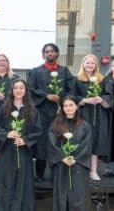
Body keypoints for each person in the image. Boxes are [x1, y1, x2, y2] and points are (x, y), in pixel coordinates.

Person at [0, 78, 42, 211]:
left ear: (26, 91)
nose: (18, 90)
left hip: (23, 153)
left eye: (21, 88)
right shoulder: (4, 108)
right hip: (6, 152)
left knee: (23, 183)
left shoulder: (32, 110)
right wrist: (6, 134)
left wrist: (25, 140)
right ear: (12, 91)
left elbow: (38, 131)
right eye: (16, 88)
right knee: (5, 182)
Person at [28, 43, 74, 181]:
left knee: (60, 141)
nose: (49, 53)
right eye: (47, 51)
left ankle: (58, 174)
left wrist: (63, 101)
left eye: (52, 51)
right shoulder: (35, 71)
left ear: (57, 53)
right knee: (42, 142)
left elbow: (71, 90)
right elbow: (31, 89)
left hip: (60, 113)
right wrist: (46, 96)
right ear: (43, 55)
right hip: (41, 112)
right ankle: (40, 175)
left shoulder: (65, 71)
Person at [48, 96, 92, 211]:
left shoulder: (85, 126)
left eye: (71, 105)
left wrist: (75, 159)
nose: (68, 108)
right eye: (65, 106)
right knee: (62, 195)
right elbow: (52, 144)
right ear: (62, 108)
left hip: (78, 166)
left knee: (78, 195)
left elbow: (86, 145)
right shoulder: (55, 125)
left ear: (77, 106)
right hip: (61, 165)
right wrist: (62, 158)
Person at [73, 54, 113, 181]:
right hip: (83, 114)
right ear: (83, 64)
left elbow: (109, 96)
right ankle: (80, 170)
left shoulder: (102, 80)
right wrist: (85, 100)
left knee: (95, 143)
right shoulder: (77, 79)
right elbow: (72, 96)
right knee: (81, 142)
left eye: (92, 63)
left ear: (96, 65)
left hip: (98, 115)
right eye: (87, 63)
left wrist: (101, 99)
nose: (89, 65)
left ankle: (93, 171)